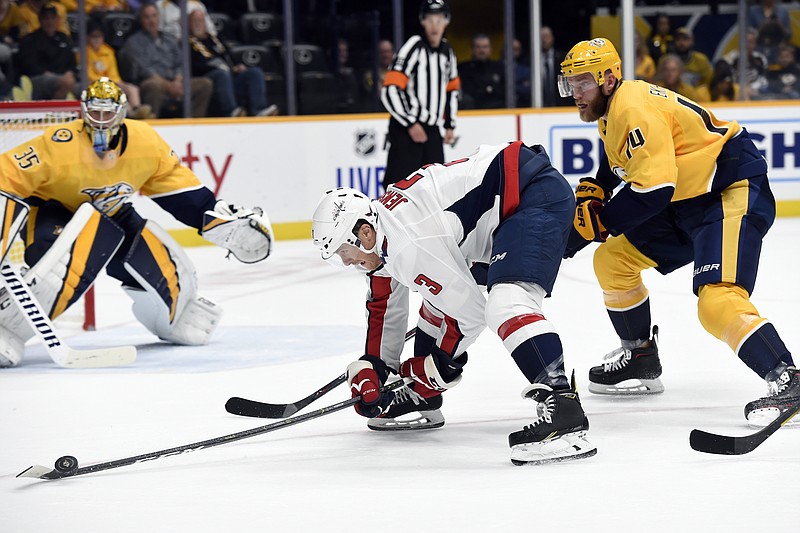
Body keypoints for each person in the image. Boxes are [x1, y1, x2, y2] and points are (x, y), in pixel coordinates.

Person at [558, 38, 797, 427]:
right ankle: (640, 356)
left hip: (729, 189)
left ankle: (788, 377)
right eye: (569, 83)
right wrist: (601, 186)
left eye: (582, 82)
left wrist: (596, 224)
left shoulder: (631, 106)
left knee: (716, 300)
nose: (574, 93)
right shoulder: (615, 107)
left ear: (608, 78)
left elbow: (653, 191)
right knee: (613, 259)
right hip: (688, 199)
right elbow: (623, 156)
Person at [310, 142, 597, 466]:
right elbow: (384, 304)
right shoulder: (382, 229)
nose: (347, 263)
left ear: (362, 234)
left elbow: (470, 315)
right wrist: (376, 366)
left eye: (344, 254)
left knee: (505, 302)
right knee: (438, 300)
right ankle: (422, 397)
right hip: (507, 203)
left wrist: (435, 369)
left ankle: (564, 407)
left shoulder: (409, 245)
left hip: (533, 196)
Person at [0, 78, 273, 368]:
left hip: (114, 212)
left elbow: (177, 188)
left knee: (165, 271)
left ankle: (176, 316)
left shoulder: (145, 141)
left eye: (108, 113)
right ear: (83, 111)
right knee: (57, 271)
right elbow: (7, 175)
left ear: (122, 112)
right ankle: (7, 327)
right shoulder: (59, 142)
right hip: (57, 213)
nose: (101, 121)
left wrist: (217, 218)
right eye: (95, 112)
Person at [380, 0, 459, 190]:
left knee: (436, 187)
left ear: (446, 22)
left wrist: (449, 124)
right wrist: (410, 123)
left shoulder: (448, 52)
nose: (435, 25)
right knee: (398, 187)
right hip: (406, 129)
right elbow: (390, 89)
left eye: (439, 20)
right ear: (422, 21)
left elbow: (451, 90)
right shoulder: (413, 47)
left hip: (432, 130)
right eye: (430, 20)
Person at [119, 3, 212, 118]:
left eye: (154, 16)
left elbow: (180, 63)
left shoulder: (169, 39)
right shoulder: (133, 43)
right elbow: (145, 70)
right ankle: (152, 123)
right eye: (147, 17)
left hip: (175, 82)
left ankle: (194, 122)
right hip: (150, 82)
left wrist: (177, 81)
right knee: (154, 86)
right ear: (141, 19)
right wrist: (169, 86)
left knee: (205, 84)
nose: (151, 20)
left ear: (159, 17)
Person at [188, 10, 277, 117]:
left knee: (255, 72)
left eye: (200, 21)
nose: (198, 24)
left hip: (229, 76)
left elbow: (229, 57)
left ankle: (259, 109)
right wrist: (214, 68)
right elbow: (192, 67)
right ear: (189, 24)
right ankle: (231, 111)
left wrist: (237, 66)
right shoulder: (187, 43)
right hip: (211, 79)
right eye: (195, 21)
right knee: (222, 74)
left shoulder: (215, 39)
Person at [85, 19, 152, 119]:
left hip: (110, 82)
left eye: (99, 36)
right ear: (87, 37)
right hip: (93, 84)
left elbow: (114, 74)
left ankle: (136, 109)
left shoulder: (108, 51)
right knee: (116, 91)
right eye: (93, 36)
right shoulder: (83, 52)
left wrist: (119, 84)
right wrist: (111, 83)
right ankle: (131, 114)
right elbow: (88, 75)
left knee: (132, 88)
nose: (96, 40)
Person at [17, 3, 76, 100]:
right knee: (67, 83)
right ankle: (56, 111)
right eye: (46, 18)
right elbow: (30, 66)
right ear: (40, 20)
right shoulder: (30, 40)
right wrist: (51, 75)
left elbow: (72, 63)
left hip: (64, 77)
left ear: (57, 20)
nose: (50, 22)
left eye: (53, 18)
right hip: (38, 78)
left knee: (89, 86)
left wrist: (70, 72)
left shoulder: (64, 38)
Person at [458, 33, 504, 109]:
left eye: (485, 47)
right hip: (471, 112)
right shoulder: (463, 69)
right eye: (478, 47)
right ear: (472, 50)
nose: (482, 50)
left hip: (497, 111)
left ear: (490, 49)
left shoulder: (499, 68)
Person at [722, 28, 769, 100]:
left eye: (751, 42)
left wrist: (753, 89)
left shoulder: (761, 59)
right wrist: (740, 89)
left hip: (757, 93)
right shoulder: (729, 59)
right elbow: (726, 80)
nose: (747, 45)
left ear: (755, 44)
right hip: (735, 94)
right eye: (745, 42)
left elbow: (764, 79)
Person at [747, 0, 792, 65]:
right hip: (759, 48)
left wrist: (780, 25)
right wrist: (762, 26)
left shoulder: (783, 11)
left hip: (777, 50)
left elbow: (789, 35)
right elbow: (749, 34)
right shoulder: (753, 11)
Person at [672, 27, 713, 95]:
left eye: (685, 39)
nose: (681, 43)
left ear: (692, 41)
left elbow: (709, 82)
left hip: (697, 99)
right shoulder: (666, 61)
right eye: (678, 39)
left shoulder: (701, 60)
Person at [361, 39, 394, 111]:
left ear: (392, 53)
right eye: (381, 52)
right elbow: (381, 93)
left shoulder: (399, 72)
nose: (385, 55)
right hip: (378, 111)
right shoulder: (370, 75)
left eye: (387, 51)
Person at [540, 26, 567, 107]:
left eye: (547, 36)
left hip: (561, 106)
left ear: (552, 38)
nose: (544, 40)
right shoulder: (531, 60)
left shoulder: (563, 58)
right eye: (541, 37)